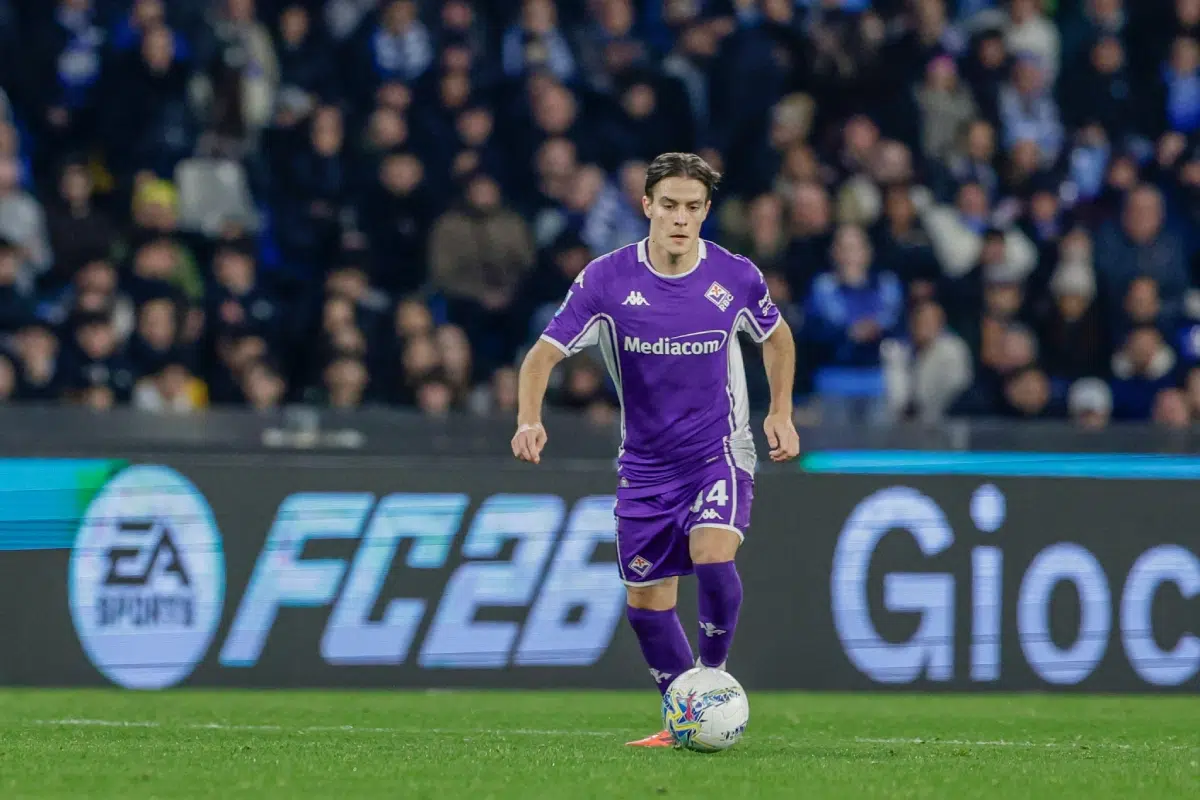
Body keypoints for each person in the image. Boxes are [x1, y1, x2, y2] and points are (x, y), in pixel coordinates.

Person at [511, 152, 800, 748]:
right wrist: (528, 419)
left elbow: (777, 339)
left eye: (693, 207)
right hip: (644, 465)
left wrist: (780, 412)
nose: (680, 218)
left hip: (718, 449)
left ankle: (713, 682)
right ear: (646, 205)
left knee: (715, 554)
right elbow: (541, 356)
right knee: (646, 601)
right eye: (668, 205)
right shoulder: (606, 280)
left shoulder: (735, 276)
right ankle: (680, 716)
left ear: (706, 212)